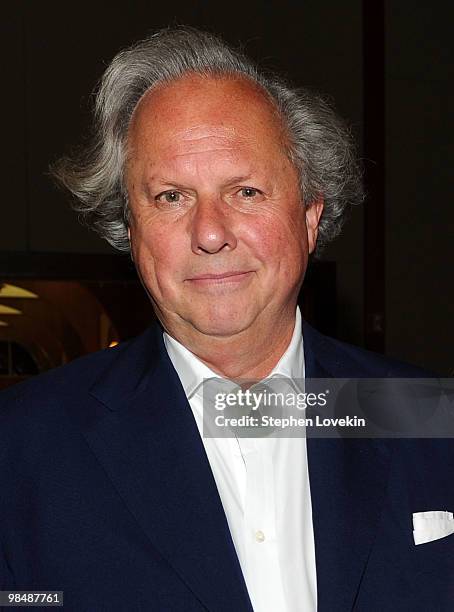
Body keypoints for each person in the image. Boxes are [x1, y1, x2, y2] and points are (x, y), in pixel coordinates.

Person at [1, 27, 453, 612]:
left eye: (244, 191)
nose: (210, 232)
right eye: (170, 196)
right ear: (129, 228)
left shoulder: (427, 419)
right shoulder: (23, 450)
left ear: (310, 215)